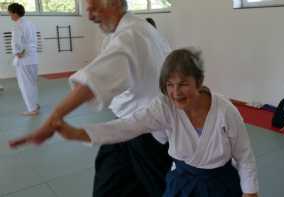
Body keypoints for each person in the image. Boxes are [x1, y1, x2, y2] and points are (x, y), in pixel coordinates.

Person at [9, 0, 172, 196]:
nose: (89, 16)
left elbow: (91, 83)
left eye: (94, 8)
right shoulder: (139, 27)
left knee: (145, 187)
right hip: (139, 128)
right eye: (87, 9)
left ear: (114, 3)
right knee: (118, 180)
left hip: (146, 134)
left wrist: (52, 121)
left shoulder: (129, 35)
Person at [52, 48, 259, 197]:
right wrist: (79, 133)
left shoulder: (225, 110)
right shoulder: (165, 106)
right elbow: (127, 126)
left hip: (220, 185)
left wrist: (250, 193)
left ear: (200, 81)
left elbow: (244, 155)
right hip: (182, 184)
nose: (176, 92)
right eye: (170, 84)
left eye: (183, 84)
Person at [8, 3, 40, 116]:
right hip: (33, 57)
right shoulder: (30, 23)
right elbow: (33, 40)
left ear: (15, 13)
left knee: (25, 85)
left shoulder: (18, 25)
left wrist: (17, 52)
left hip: (24, 58)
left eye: (10, 13)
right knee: (32, 82)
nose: (10, 16)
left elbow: (16, 41)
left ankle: (32, 109)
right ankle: (35, 104)